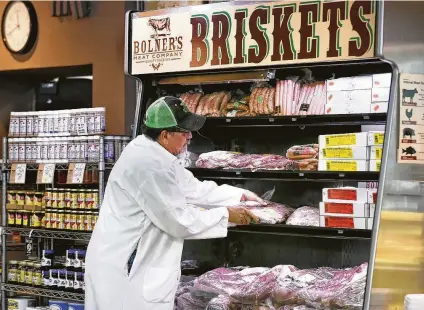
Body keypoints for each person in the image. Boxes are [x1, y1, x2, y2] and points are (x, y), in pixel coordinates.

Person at [85, 96, 264, 310]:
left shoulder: (156, 152)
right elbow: (178, 221)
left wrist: (238, 195)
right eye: (184, 132)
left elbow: (191, 187)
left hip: (134, 260)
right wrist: (226, 214)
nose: (189, 137)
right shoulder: (149, 165)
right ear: (165, 135)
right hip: (124, 268)